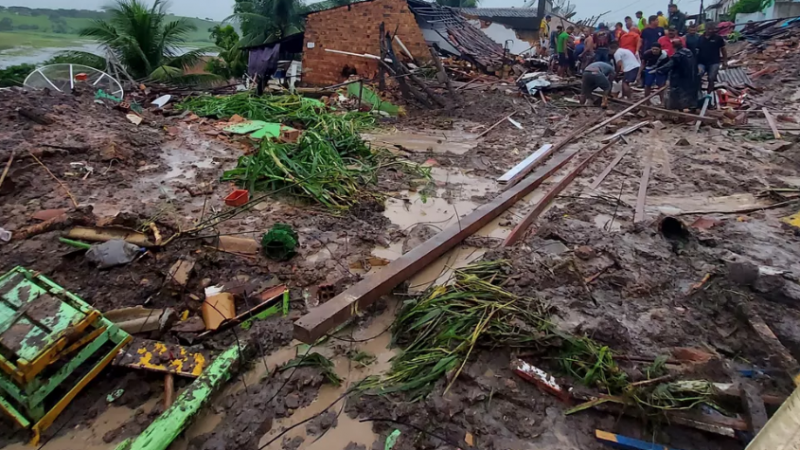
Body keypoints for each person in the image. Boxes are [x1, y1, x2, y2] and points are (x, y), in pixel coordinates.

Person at [657, 39, 699, 110]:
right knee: (690, 93)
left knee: (677, 93)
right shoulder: (689, 52)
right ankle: (692, 107)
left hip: (680, 78)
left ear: (674, 47)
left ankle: (678, 108)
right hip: (691, 77)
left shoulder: (677, 56)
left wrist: (659, 70)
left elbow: (668, 66)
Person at [697, 22, 728, 95]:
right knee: (698, 75)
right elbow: (697, 50)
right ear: (705, 29)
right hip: (702, 62)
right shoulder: (700, 38)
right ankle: (698, 93)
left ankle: (709, 94)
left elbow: (723, 50)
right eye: (709, 29)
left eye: (712, 29)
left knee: (711, 78)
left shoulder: (718, 38)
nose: (710, 31)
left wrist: (725, 61)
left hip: (714, 62)